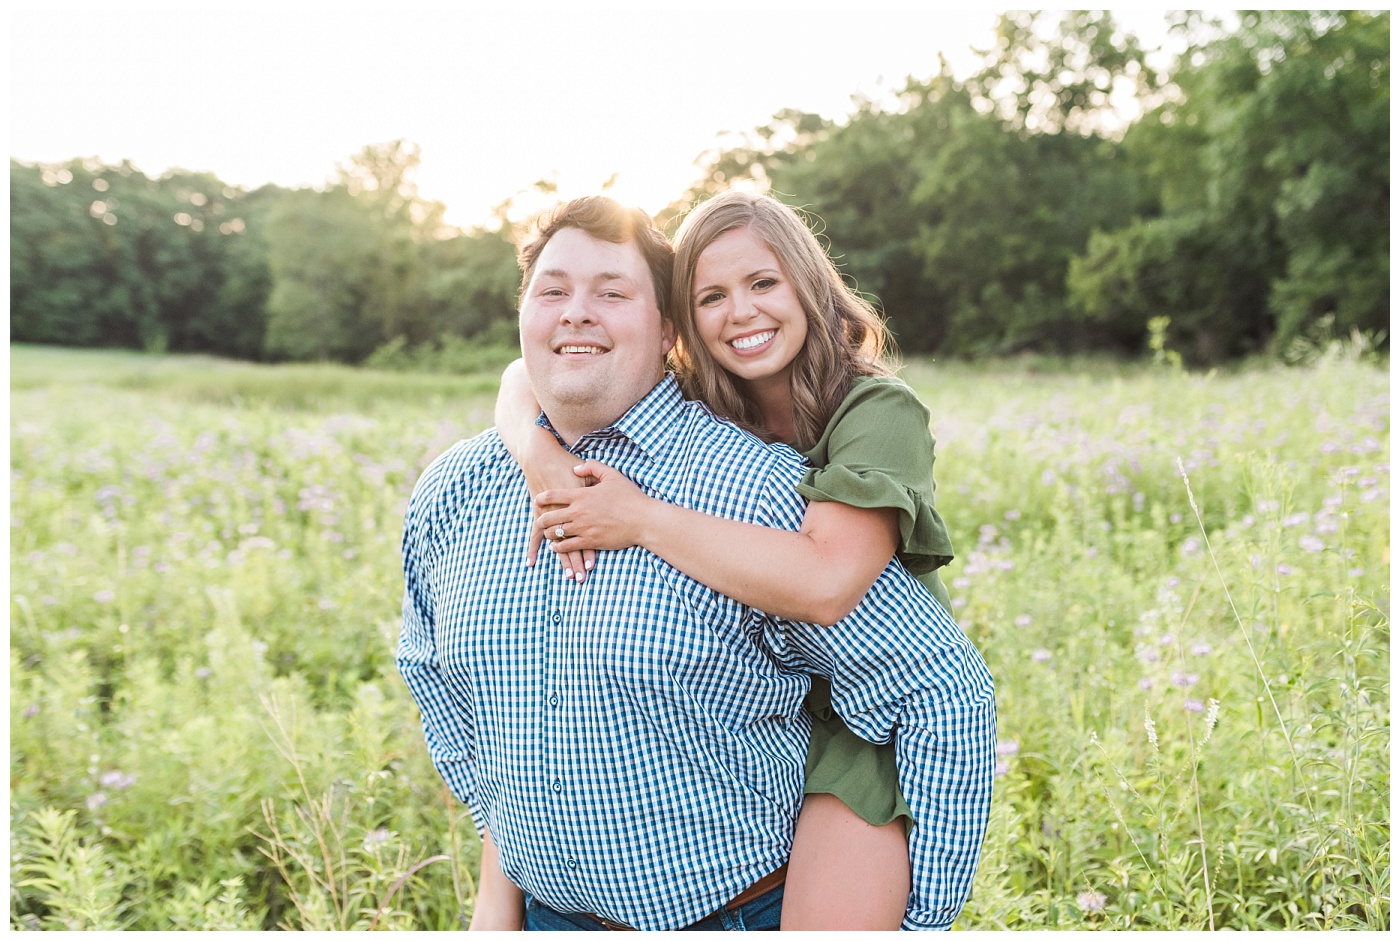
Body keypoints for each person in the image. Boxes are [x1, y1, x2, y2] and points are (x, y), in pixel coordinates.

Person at [398, 196, 994, 931]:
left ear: (665, 333)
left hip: (749, 892)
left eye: (612, 293)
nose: (576, 312)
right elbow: (437, 678)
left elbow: (924, 672)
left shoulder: (779, 476)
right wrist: (505, 867)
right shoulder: (453, 493)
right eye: (552, 291)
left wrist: (924, 920)